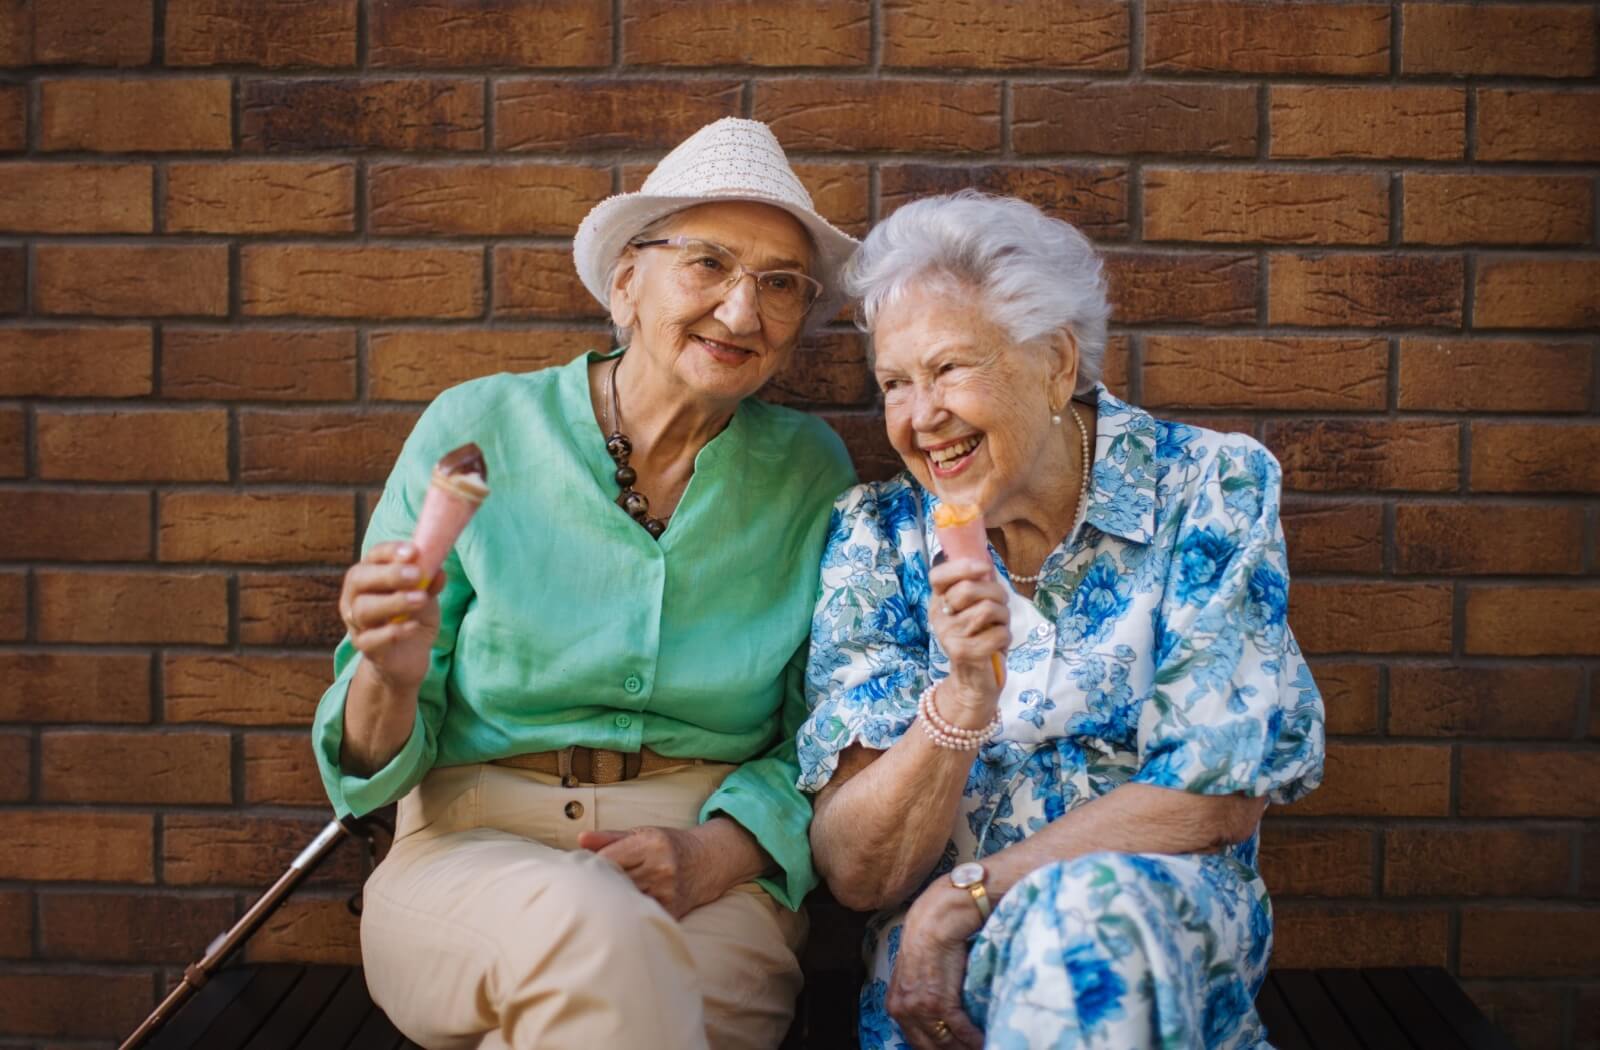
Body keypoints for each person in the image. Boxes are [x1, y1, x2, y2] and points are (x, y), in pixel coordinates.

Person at [311, 118, 858, 1050]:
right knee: (599, 947)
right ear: (625, 283)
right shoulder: (481, 425)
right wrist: (390, 678)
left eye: (779, 285)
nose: (741, 311)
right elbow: (363, 777)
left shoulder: (812, 471)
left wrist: (719, 852)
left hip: (707, 873)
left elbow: (830, 725)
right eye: (708, 265)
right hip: (469, 854)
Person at [797, 192, 1325, 1049]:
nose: (921, 416)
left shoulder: (1203, 488)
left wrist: (968, 892)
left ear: (1054, 363)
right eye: (896, 383)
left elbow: (1217, 793)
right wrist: (964, 698)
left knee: (1084, 921)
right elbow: (859, 871)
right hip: (943, 987)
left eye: (949, 369)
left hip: (1142, 934)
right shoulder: (878, 537)